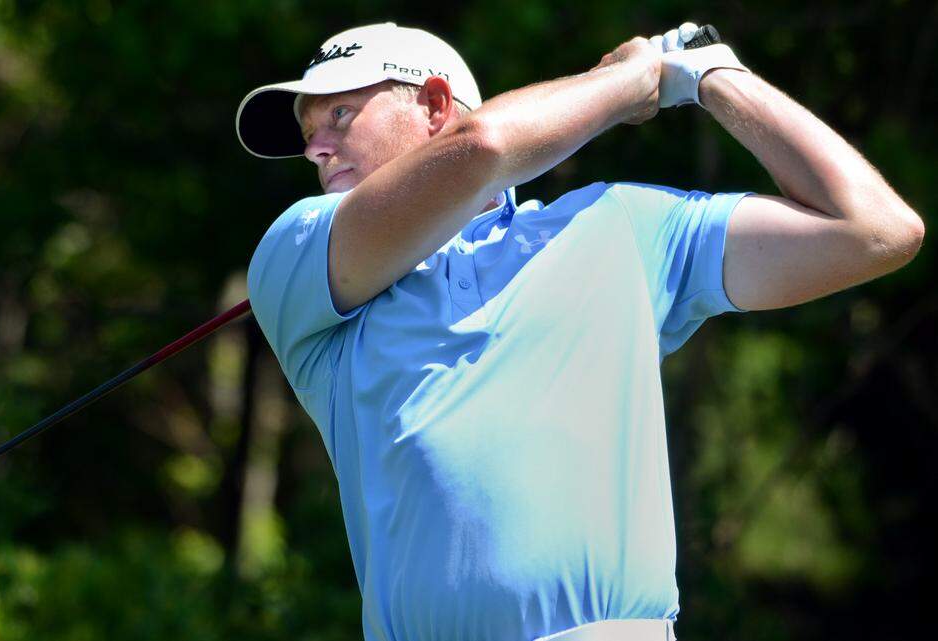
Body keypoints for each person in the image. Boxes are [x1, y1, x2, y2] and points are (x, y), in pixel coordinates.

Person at [235, 21, 924, 641]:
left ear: (434, 107)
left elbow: (874, 230)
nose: (316, 149)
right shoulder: (296, 257)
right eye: (309, 134)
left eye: (340, 114)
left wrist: (715, 77)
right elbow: (486, 146)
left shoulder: (619, 224)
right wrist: (632, 81)